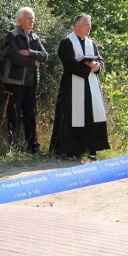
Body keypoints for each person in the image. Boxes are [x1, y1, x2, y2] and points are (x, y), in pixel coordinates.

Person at [49, 14, 110, 159]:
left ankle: (90, 149)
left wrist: (98, 67)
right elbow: (69, 64)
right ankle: (69, 150)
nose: (90, 27)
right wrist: (88, 69)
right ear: (77, 25)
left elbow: (100, 60)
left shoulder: (91, 43)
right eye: (87, 25)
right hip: (72, 87)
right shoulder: (66, 43)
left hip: (90, 87)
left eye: (90, 25)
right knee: (70, 117)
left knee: (91, 116)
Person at [0, 7, 49, 153]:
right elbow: (15, 58)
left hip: (31, 82)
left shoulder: (35, 38)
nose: (32, 21)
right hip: (14, 82)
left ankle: (33, 147)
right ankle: (13, 148)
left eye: (33, 19)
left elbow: (45, 56)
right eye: (29, 18)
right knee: (14, 115)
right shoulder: (12, 36)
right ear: (20, 20)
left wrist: (29, 52)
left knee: (30, 114)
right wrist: (33, 61)